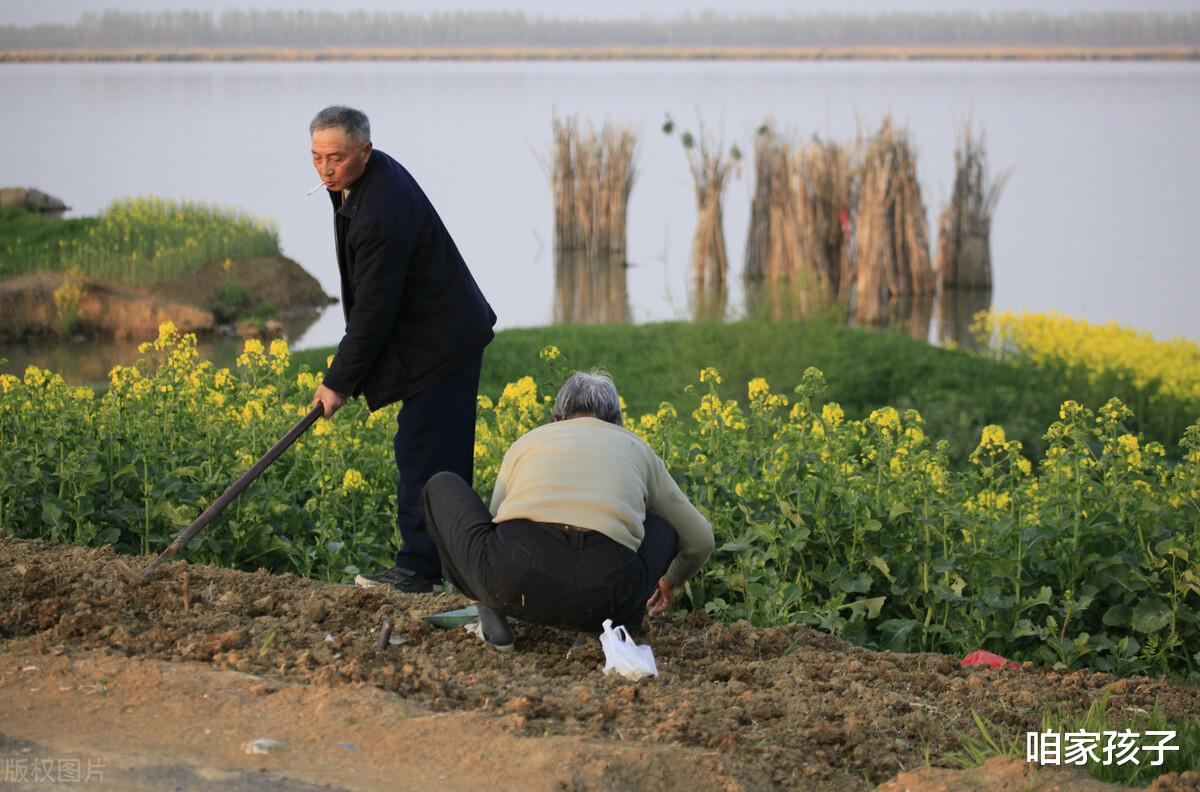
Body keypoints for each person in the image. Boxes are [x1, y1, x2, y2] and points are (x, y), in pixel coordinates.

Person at [307, 105, 496, 593]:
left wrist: (337, 382)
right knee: (433, 455)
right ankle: (450, 568)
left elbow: (373, 313)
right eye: (317, 158)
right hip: (434, 336)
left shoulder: (380, 213)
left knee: (427, 455)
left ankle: (421, 570)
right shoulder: (364, 179)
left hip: (442, 342)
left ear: (364, 151)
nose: (326, 169)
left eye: (337, 158)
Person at [421, 371, 715, 650]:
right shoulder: (637, 448)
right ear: (618, 420)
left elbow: (495, 522)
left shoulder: (529, 441)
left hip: (514, 579)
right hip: (606, 591)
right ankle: (599, 631)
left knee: (441, 484)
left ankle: (492, 618)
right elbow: (701, 539)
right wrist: (670, 579)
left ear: (555, 418)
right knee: (665, 526)